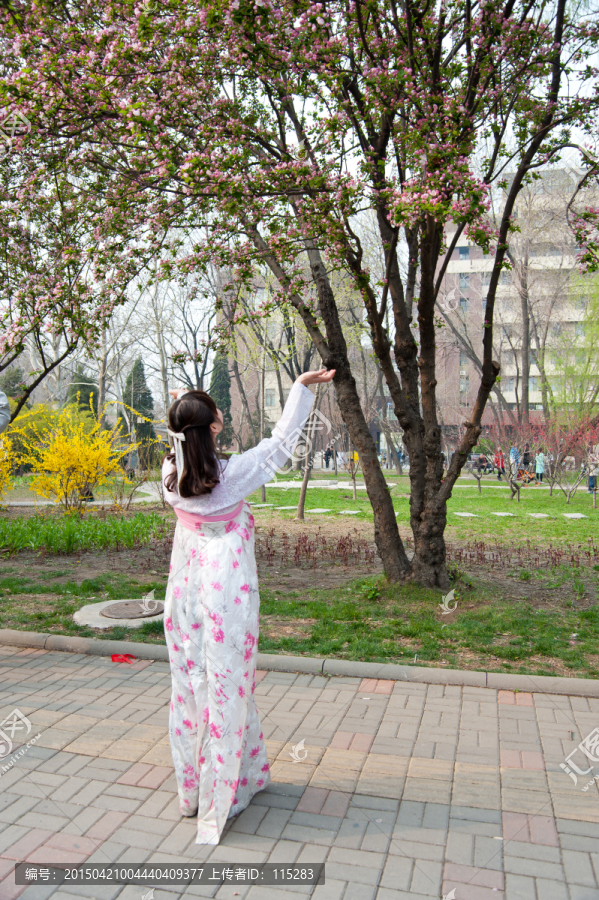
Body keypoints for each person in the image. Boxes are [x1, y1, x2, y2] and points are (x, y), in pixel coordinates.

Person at [161, 367, 334, 845]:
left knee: (191, 681)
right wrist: (300, 387)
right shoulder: (232, 477)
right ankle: (225, 792)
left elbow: (182, 434)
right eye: (215, 411)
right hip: (225, 595)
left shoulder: (169, 478)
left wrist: (182, 405)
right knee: (227, 683)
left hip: (185, 592)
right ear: (214, 427)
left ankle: (192, 790)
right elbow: (282, 440)